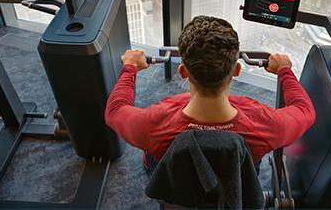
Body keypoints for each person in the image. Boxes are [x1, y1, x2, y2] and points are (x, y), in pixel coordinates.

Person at [105, 16, 316, 168]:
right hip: (238, 184)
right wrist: (284, 71)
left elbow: (115, 111)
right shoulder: (265, 123)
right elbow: (304, 110)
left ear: (183, 72)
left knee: (151, 151)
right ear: (236, 70)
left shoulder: (153, 123)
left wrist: (130, 68)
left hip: (176, 187)